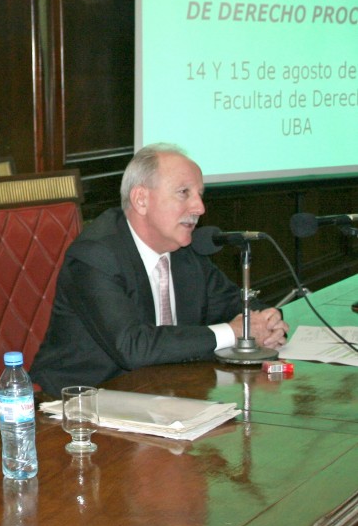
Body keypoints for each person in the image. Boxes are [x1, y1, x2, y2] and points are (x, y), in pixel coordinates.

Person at [31, 143, 288, 396]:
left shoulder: (185, 251)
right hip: (83, 403)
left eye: (200, 194)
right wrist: (235, 332)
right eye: (184, 193)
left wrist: (268, 321)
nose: (200, 208)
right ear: (141, 199)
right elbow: (133, 347)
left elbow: (234, 302)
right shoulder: (95, 256)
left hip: (165, 394)